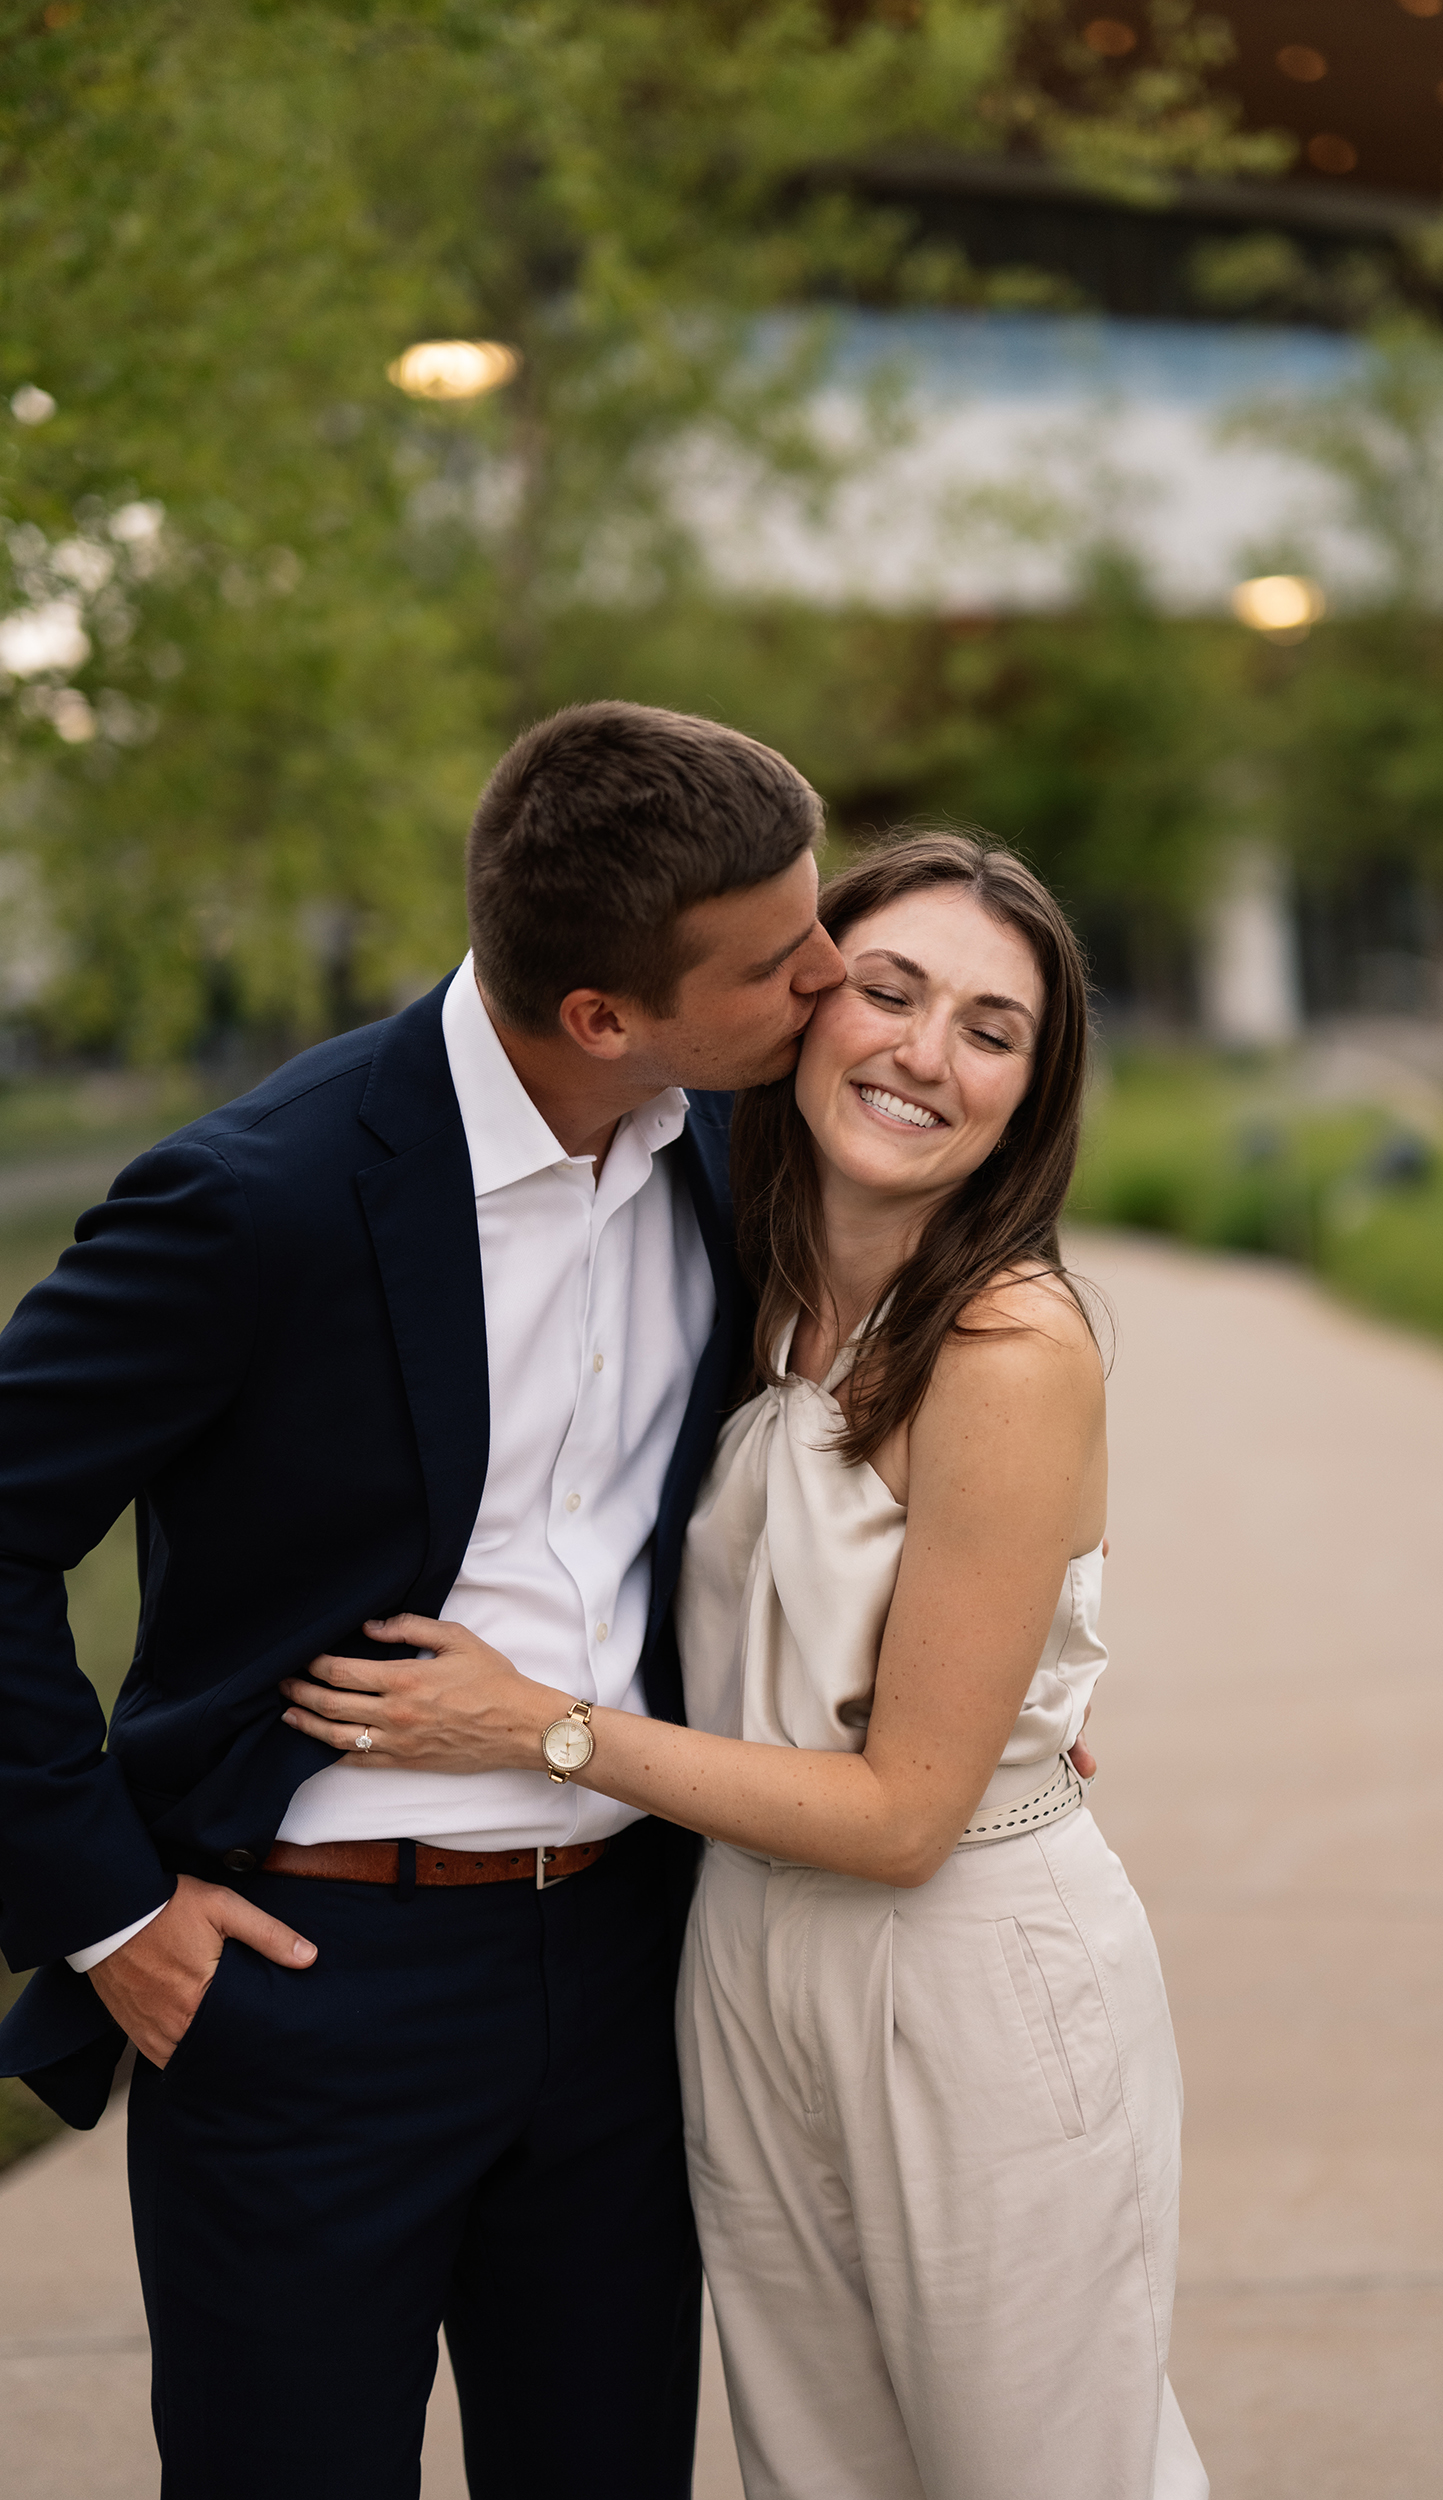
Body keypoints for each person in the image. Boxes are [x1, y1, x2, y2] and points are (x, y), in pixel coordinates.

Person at [281, 830, 1206, 2500]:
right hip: (740, 1957)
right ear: (803, 1005)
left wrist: (543, 1729)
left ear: (1032, 1091)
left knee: (1042, 2473)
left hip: (965, 1975)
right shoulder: (744, 1272)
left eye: (992, 1031)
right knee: (818, 2473)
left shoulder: (1005, 1345)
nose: (927, 1053)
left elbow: (906, 1817)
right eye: (891, 991)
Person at [0, 700, 847, 2500]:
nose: (831, 977)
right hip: (312, 1987)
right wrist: (109, 1915)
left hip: (630, 1965)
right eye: (782, 959)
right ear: (606, 1016)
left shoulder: (720, 1151)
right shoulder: (259, 1201)